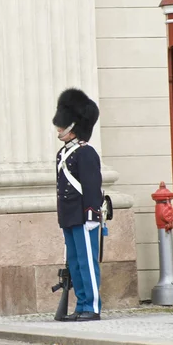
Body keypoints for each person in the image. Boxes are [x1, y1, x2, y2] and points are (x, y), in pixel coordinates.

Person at [52, 88, 102, 322]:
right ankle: (81, 304)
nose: (59, 129)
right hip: (69, 216)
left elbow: (92, 185)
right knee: (75, 263)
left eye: (62, 125)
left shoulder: (85, 152)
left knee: (87, 262)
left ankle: (91, 306)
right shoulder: (64, 153)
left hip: (84, 216)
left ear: (74, 126)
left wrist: (92, 214)